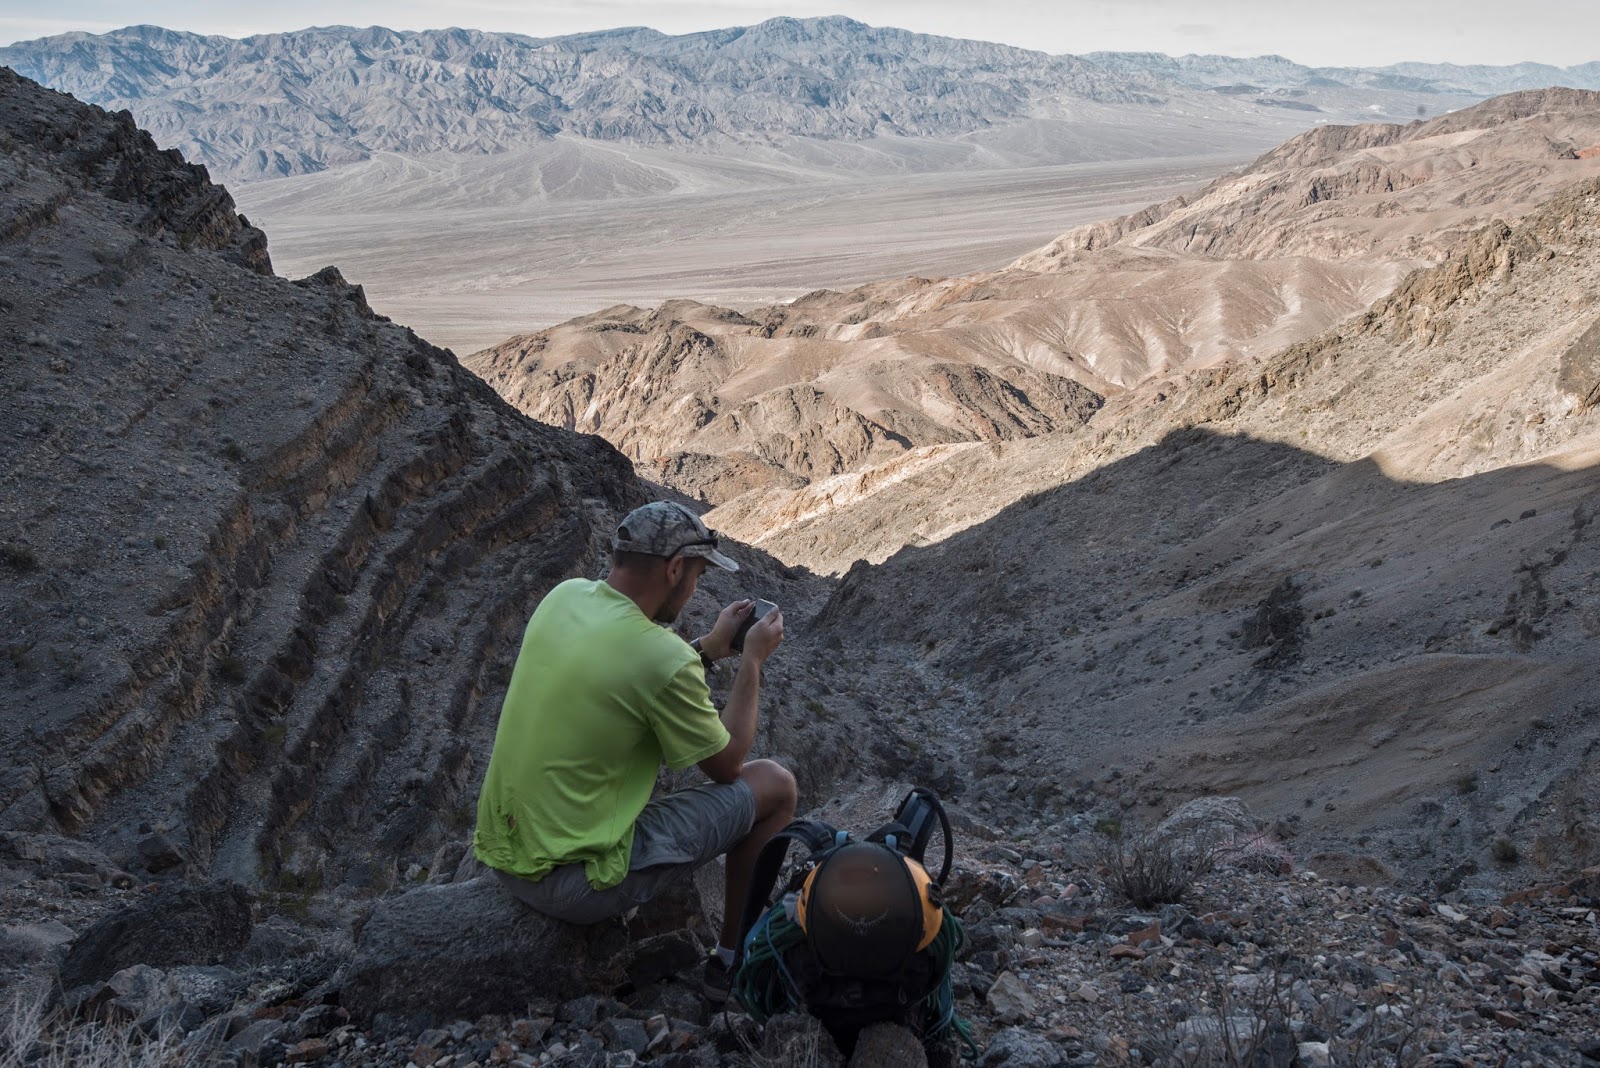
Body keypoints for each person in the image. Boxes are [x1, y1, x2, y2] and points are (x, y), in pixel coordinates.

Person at [472, 500, 796, 1000]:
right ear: (673, 569)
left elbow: (625, 670)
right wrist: (751, 661)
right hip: (568, 883)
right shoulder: (661, 656)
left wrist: (708, 648)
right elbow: (728, 765)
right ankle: (730, 964)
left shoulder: (564, 596)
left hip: (504, 852)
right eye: (696, 574)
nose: (695, 588)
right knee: (775, 785)